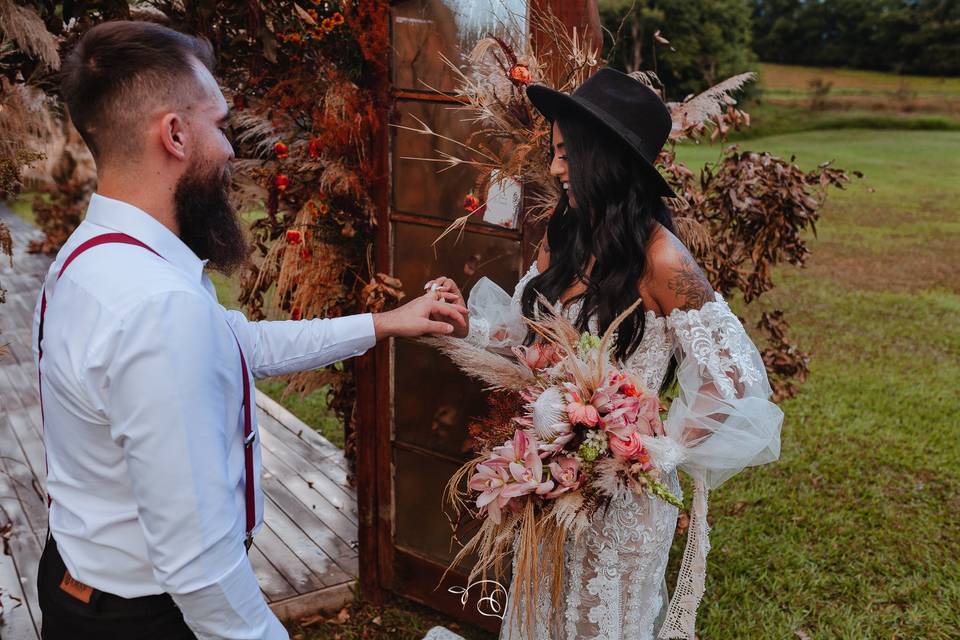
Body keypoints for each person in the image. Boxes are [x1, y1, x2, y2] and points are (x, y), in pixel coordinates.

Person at [34, 21, 466, 640]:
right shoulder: (158, 305)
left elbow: (237, 343)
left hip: (77, 582)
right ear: (175, 135)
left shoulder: (87, 257)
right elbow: (200, 571)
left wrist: (384, 323)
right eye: (220, 124)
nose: (232, 149)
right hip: (148, 618)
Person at [425, 68, 783, 639]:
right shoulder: (563, 237)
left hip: (624, 505)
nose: (557, 169)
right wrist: (466, 324)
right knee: (539, 615)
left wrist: (658, 451)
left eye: (568, 155)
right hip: (548, 484)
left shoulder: (664, 261)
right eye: (556, 152)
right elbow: (528, 340)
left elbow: (734, 379)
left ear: (607, 160)